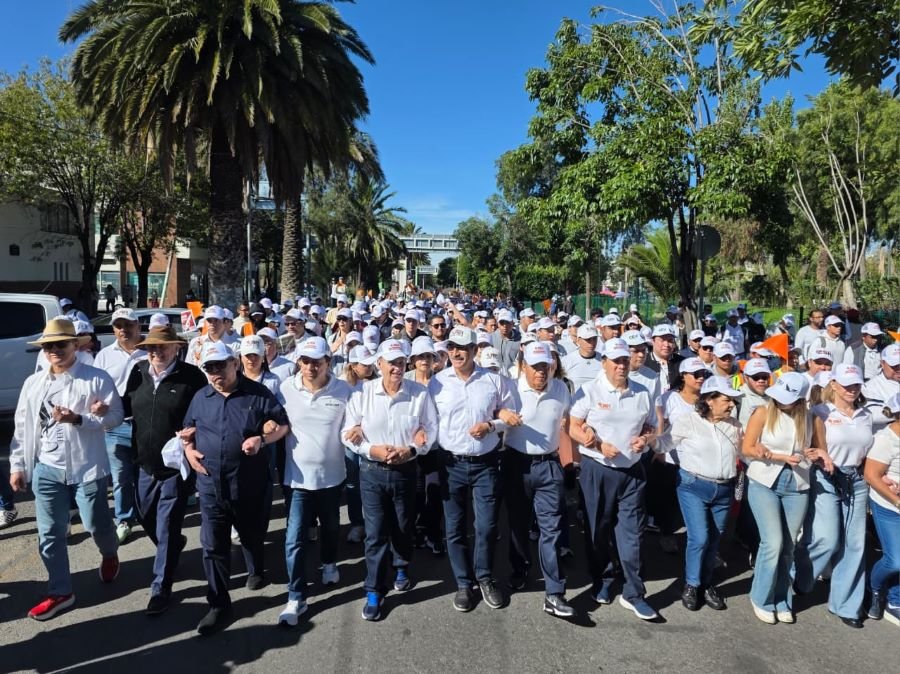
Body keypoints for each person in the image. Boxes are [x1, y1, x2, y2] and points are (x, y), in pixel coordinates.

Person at [9, 318, 123, 620]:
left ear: (76, 345)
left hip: (86, 468)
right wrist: (18, 464)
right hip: (48, 469)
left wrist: (83, 418)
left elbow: (116, 418)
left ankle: (109, 552)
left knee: (96, 525)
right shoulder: (34, 384)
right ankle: (61, 591)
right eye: (49, 346)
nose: (55, 350)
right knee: (49, 533)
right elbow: (22, 426)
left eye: (61, 344)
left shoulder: (95, 378)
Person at [182, 341, 290, 635]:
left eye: (220, 366)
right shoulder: (200, 397)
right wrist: (189, 451)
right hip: (210, 486)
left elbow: (282, 425)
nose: (216, 373)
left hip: (249, 484)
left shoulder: (257, 393)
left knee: (252, 534)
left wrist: (262, 440)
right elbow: (187, 432)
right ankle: (218, 603)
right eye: (210, 368)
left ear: (235, 364)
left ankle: (255, 569)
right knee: (213, 545)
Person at [342, 339, 438, 621]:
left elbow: (432, 429)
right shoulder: (363, 393)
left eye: (400, 362)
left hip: (406, 470)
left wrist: (412, 449)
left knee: (403, 525)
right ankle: (374, 590)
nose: (396, 368)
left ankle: (401, 565)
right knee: (375, 533)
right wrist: (371, 449)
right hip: (372, 471)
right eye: (391, 362)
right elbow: (347, 431)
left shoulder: (419, 393)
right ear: (379, 364)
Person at [569, 338, 659, 620]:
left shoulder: (643, 392)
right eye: (616, 360)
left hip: (632, 473)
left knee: (632, 533)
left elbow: (653, 426)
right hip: (598, 470)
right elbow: (572, 426)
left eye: (625, 360)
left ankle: (633, 592)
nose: (621, 365)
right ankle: (604, 579)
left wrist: (645, 439)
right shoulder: (589, 391)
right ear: (604, 362)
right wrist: (596, 445)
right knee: (598, 531)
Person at [428, 326, 515, 612]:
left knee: (487, 526)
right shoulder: (437, 383)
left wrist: (491, 425)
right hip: (450, 463)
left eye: (462, 348)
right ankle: (464, 584)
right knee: (453, 528)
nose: (456, 353)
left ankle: (485, 577)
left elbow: (509, 412)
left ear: (475, 350)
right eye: (452, 347)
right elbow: (427, 422)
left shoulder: (494, 380)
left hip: (485, 464)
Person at [123, 325, 208, 615]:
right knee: (145, 515)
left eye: (162, 346)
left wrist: (193, 430)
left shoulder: (192, 377)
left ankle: (161, 587)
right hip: (144, 463)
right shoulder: (138, 373)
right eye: (151, 347)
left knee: (168, 524)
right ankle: (171, 546)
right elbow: (124, 406)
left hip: (175, 464)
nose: (156, 352)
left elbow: (203, 412)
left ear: (176, 347)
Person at [276, 337, 353, 627]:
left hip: (332, 478)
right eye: (305, 361)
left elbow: (354, 423)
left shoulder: (344, 390)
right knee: (294, 538)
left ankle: (329, 563)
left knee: (330, 527)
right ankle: (296, 596)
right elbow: (272, 419)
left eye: (316, 362)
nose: (310, 367)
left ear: (327, 363)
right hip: (296, 480)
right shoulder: (285, 389)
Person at [741, 372, 825, 624]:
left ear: (800, 399)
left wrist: (815, 455)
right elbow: (746, 448)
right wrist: (774, 455)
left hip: (797, 484)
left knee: (788, 546)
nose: (780, 401)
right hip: (764, 481)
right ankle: (761, 597)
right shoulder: (763, 412)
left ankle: (782, 598)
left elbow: (818, 453)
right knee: (773, 542)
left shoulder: (811, 418)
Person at [795, 363, 873, 628]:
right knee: (827, 539)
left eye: (856, 384)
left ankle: (846, 604)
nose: (852, 389)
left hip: (856, 480)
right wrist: (816, 453)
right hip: (826, 478)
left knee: (855, 544)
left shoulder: (866, 415)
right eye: (846, 384)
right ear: (834, 385)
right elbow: (804, 447)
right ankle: (800, 577)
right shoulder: (820, 412)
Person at [503, 342, 575, 618]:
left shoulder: (561, 389)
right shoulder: (511, 389)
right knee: (518, 525)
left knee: (552, 527)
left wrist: (569, 465)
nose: (541, 372)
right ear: (523, 366)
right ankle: (520, 569)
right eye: (535, 367)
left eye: (545, 366)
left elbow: (568, 425)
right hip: (516, 464)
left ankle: (555, 592)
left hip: (549, 466)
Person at [668, 375, 742, 610]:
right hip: (693, 486)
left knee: (714, 539)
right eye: (727, 400)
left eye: (733, 401)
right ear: (710, 400)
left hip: (724, 489)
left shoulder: (735, 425)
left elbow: (746, 453)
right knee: (699, 537)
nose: (732, 405)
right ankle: (691, 584)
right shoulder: (688, 421)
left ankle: (706, 583)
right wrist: (646, 440)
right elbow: (664, 443)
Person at [93, 307, 147, 544]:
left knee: (145, 476)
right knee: (121, 477)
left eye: (128, 325)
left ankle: (147, 515)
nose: (123, 330)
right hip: (116, 425)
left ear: (138, 326)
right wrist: (98, 409)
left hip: (146, 425)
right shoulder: (104, 355)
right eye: (118, 326)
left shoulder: (150, 350)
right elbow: (94, 390)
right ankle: (124, 519)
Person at [654, 358, 711, 554]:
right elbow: (660, 424)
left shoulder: (709, 398)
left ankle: (703, 545)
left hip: (700, 462)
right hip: (673, 461)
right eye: (696, 375)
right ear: (683, 376)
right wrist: (660, 450)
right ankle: (667, 534)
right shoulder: (669, 398)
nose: (700, 378)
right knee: (668, 503)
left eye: (703, 374)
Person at [864, 392, 900, 625]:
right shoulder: (887, 439)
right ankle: (875, 588)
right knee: (895, 560)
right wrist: (897, 501)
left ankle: (895, 599)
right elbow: (871, 475)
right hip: (888, 504)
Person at [862, 344, 900, 431]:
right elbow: (872, 415)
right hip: (888, 440)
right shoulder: (870, 387)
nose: (899, 369)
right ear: (882, 363)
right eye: (894, 366)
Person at [561, 323, 602, 389]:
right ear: (579, 340)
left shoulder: (604, 360)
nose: (592, 343)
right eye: (588, 339)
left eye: (594, 339)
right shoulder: (567, 360)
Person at [645, 324, 682, 393]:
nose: (666, 344)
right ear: (653, 341)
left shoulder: (683, 363)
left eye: (670, 340)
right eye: (662, 340)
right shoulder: (643, 363)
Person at [490, 309, 520, 375]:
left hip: (514, 377)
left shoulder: (520, 339)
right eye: (502, 322)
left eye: (507, 322)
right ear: (498, 324)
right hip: (495, 375)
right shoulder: (491, 338)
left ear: (513, 323)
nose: (505, 326)